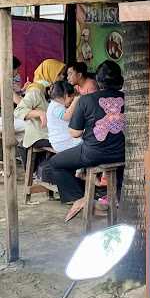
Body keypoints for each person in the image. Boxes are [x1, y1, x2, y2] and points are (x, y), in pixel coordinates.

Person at [42, 60, 125, 220]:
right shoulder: (127, 98)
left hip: (93, 154)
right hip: (122, 153)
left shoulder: (86, 100)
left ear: (98, 81)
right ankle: (105, 199)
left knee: (54, 163)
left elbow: (74, 133)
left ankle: (80, 198)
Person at [14, 59, 66, 168]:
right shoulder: (36, 91)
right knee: (67, 142)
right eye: (59, 74)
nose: (62, 77)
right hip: (39, 135)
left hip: (48, 132)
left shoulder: (49, 88)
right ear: (49, 73)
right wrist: (40, 113)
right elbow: (19, 110)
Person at [46, 81, 81, 153]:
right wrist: (76, 100)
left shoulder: (55, 105)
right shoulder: (55, 107)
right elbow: (67, 116)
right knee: (87, 141)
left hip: (61, 141)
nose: (71, 102)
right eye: (71, 98)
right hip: (63, 142)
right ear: (67, 95)